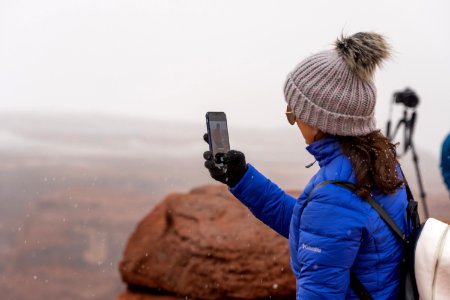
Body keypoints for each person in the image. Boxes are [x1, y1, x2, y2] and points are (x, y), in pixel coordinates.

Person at [203, 32, 409, 299]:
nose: (294, 120)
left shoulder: (336, 193)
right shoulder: (381, 164)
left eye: (294, 112)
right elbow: (318, 229)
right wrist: (242, 178)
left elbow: (324, 238)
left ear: (319, 119)